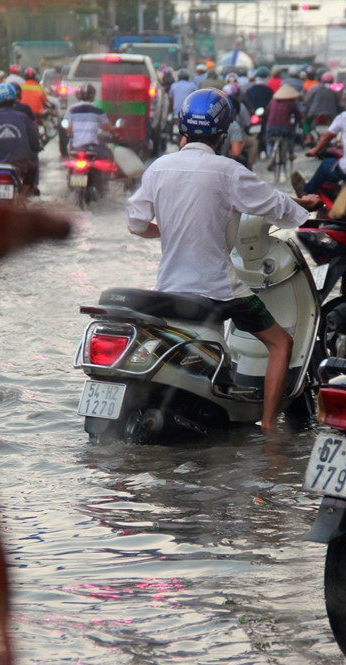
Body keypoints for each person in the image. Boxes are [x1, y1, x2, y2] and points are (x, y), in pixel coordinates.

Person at [127, 88, 321, 432]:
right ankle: (269, 426)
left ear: (181, 128)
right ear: (223, 132)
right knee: (281, 343)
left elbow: (136, 224)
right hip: (218, 289)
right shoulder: (228, 171)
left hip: (169, 289)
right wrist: (310, 210)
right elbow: (277, 207)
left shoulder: (159, 168)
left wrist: (170, 231)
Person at [0, 82, 40, 200]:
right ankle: (22, 198)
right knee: (33, 167)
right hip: (20, 164)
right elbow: (35, 144)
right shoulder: (23, 118)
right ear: (14, 99)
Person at [66, 83, 111, 157]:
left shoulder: (71, 109)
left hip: (76, 148)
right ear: (93, 96)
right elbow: (109, 127)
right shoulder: (98, 110)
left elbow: (68, 129)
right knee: (108, 156)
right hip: (93, 147)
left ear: (79, 95)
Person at [265, 83, 302, 171]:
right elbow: (298, 114)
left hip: (271, 126)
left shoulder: (273, 101)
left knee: (269, 139)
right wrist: (299, 120)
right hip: (284, 127)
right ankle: (291, 153)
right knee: (291, 135)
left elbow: (267, 112)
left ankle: (271, 155)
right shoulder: (291, 103)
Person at [221, 84, 258, 167]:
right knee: (254, 142)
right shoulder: (234, 124)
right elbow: (235, 153)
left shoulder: (217, 106)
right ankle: (250, 165)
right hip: (240, 137)